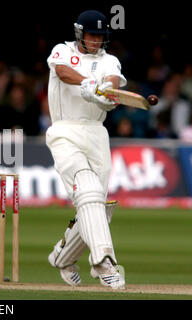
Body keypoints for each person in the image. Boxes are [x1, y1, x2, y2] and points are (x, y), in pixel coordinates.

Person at [46, 10, 126, 289]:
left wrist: (106, 95)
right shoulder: (62, 51)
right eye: (92, 35)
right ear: (80, 33)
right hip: (65, 130)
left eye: (101, 36)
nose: (96, 41)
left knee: (94, 208)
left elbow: (113, 84)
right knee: (89, 191)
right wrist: (87, 83)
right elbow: (62, 71)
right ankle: (103, 262)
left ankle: (62, 256)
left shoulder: (110, 60)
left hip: (97, 135)